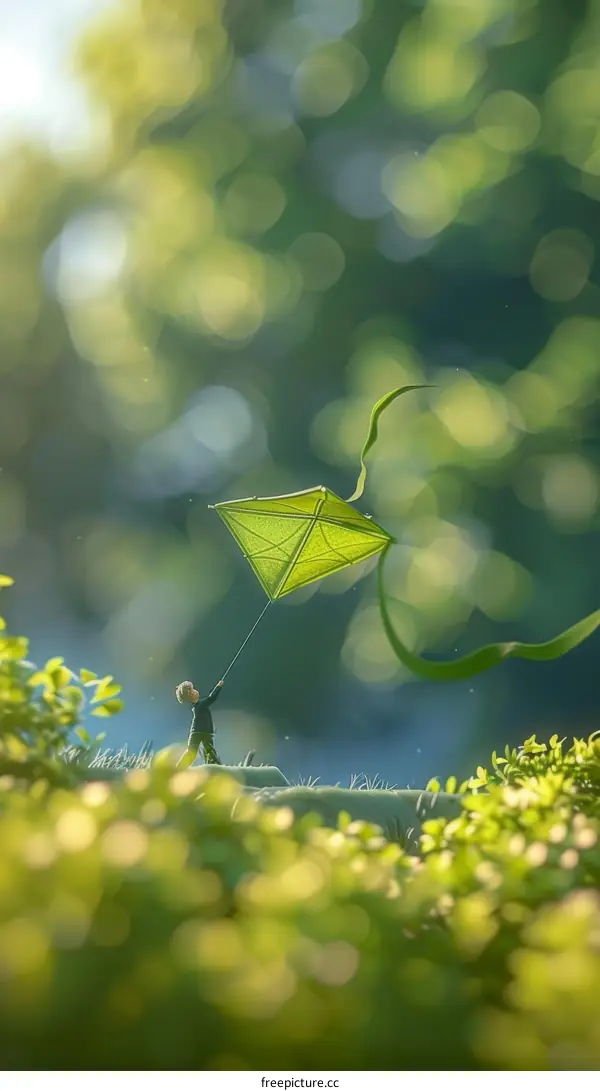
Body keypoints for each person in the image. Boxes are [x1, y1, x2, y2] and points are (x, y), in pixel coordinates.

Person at [175, 678, 224, 768]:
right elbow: (211, 699)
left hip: (201, 732)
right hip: (201, 732)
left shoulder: (198, 705)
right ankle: (180, 768)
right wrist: (218, 687)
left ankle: (213, 767)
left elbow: (209, 699)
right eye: (192, 691)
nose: (195, 691)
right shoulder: (199, 705)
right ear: (189, 697)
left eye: (193, 689)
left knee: (205, 751)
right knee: (204, 751)